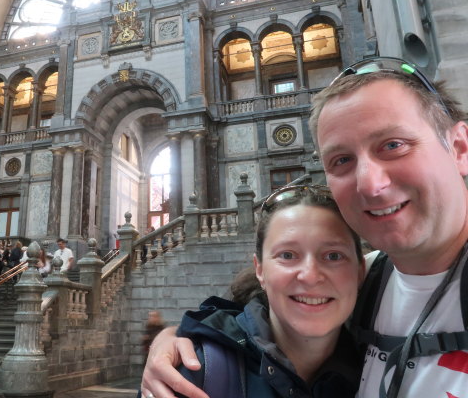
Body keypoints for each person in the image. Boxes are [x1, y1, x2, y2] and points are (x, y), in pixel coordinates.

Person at [141, 57, 468, 398]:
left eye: (393, 145)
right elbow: (257, 319)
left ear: (459, 148)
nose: (371, 185)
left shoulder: (353, 280)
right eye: (341, 160)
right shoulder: (366, 281)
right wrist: (182, 340)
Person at [173, 185, 364, 397]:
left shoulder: (385, 371)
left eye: (333, 256)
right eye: (288, 255)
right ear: (260, 270)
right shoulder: (195, 373)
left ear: (360, 271)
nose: (310, 276)